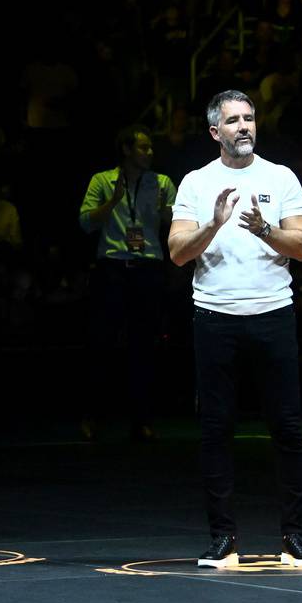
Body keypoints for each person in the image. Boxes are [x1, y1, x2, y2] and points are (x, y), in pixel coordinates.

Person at [168, 90, 302, 570]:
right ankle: (223, 539)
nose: (244, 127)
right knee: (216, 430)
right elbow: (177, 252)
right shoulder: (195, 182)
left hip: (273, 313)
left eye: (249, 118)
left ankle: (293, 537)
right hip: (215, 316)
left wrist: (264, 230)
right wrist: (214, 224)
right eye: (233, 121)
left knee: (288, 428)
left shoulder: (281, 177)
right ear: (215, 131)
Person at [77, 125, 176, 440]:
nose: (149, 153)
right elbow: (85, 223)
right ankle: (93, 416)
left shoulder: (161, 183)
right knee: (101, 343)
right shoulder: (102, 181)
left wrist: (165, 213)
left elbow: (177, 223)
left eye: (149, 148)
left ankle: (142, 419)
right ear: (126, 150)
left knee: (144, 345)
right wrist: (113, 202)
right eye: (143, 148)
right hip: (113, 268)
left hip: (148, 268)